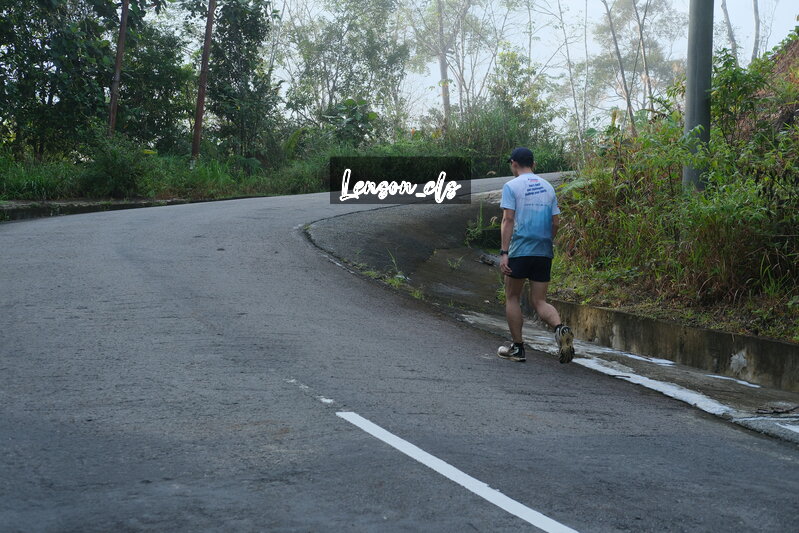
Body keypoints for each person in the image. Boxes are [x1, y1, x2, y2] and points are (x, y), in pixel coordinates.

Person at [496, 147, 574, 364]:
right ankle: (560, 328)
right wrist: (547, 241)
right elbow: (556, 222)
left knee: (512, 296)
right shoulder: (548, 187)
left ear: (514, 164)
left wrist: (504, 252)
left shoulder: (511, 186)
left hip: (520, 249)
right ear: (534, 164)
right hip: (543, 251)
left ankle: (518, 348)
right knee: (540, 301)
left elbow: (508, 220)